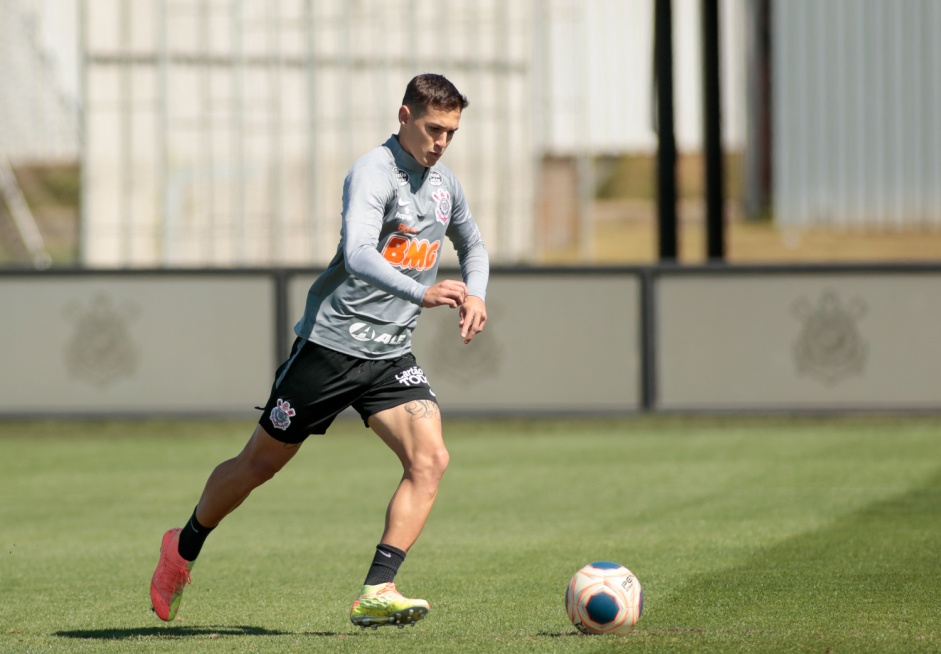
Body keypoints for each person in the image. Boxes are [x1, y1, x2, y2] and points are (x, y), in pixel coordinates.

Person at [150, 73, 488, 630]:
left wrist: (475, 291)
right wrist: (422, 291)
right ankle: (181, 549)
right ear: (404, 117)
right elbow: (357, 253)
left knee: (431, 459)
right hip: (330, 347)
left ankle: (379, 588)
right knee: (258, 466)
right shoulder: (372, 173)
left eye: (451, 132)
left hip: (388, 356)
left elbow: (471, 242)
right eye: (433, 129)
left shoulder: (445, 182)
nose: (442, 142)